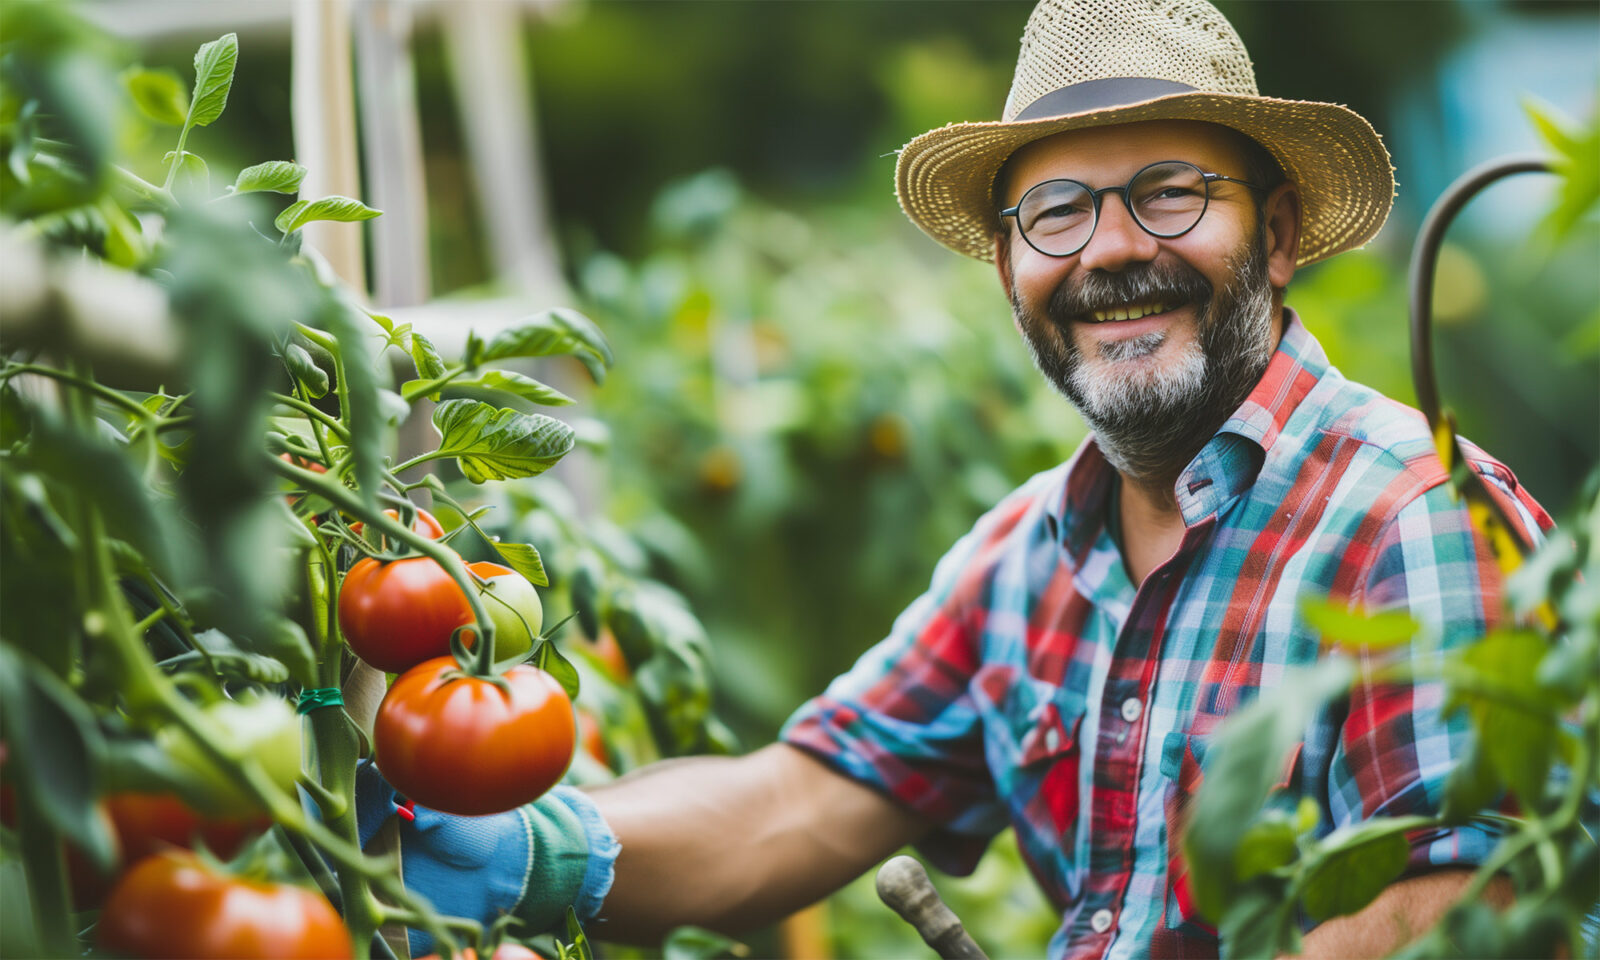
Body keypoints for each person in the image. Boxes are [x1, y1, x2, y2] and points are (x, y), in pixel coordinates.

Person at [359, 0, 1551, 956]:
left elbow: (1471, 910)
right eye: (1056, 211)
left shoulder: (1412, 516)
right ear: (1007, 266)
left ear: (1279, 234)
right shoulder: (1029, 555)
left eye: (1170, 193)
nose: (1113, 249)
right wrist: (534, 848)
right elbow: (804, 802)